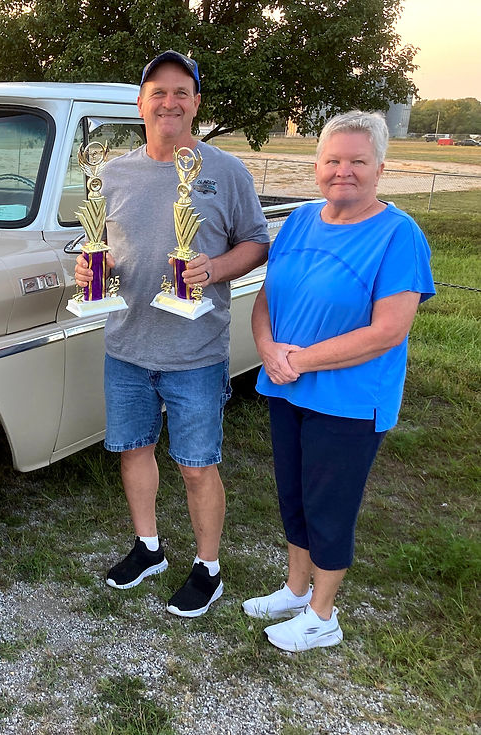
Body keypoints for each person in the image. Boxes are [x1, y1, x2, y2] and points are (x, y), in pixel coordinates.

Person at [75, 50, 270, 617]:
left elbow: (256, 242)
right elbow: (105, 246)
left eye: (181, 92)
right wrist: (96, 269)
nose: (169, 102)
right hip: (127, 346)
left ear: (196, 103)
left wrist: (212, 269)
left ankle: (208, 567)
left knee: (196, 464)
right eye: (157, 92)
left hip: (196, 350)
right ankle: (149, 548)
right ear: (141, 104)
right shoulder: (112, 174)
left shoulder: (225, 172)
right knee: (134, 452)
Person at [242, 110, 434, 651]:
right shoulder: (301, 220)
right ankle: (295, 590)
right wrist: (266, 348)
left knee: (330, 504)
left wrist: (298, 360)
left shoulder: (399, 235)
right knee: (295, 497)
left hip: (348, 400)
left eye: (357, 161)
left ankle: (323, 617)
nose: (342, 171)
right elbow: (267, 298)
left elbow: (387, 332)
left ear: (380, 168)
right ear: (316, 164)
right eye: (332, 160)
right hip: (287, 386)